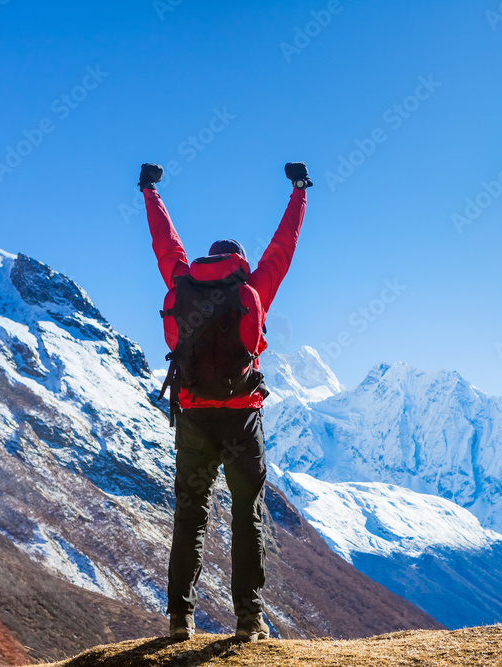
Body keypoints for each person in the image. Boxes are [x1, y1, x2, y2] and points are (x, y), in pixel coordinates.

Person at [139, 161, 311, 641]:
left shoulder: (182, 282)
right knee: (246, 515)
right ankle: (249, 621)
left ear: (206, 262)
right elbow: (284, 246)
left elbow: (164, 241)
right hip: (241, 420)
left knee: (190, 516)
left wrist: (149, 190)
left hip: (193, 418)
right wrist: (299, 191)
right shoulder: (253, 288)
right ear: (238, 262)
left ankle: (180, 620)